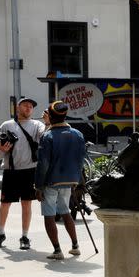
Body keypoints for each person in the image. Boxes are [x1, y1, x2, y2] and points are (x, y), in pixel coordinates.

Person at [34, 101, 86, 260]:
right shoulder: (78, 134)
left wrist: (38, 186)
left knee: (49, 214)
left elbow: (43, 164)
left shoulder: (48, 136)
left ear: (51, 116)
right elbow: (81, 159)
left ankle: (57, 250)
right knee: (65, 211)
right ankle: (75, 245)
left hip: (51, 181)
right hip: (70, 180)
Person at [0, 97, 45, 249]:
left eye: (31, 106)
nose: (28, 108)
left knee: (26, 204)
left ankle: (25, 236)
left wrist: (48, 124)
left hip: (30, 171)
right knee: (5, 203)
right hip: (11, 171)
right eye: (25, 105)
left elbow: (45, 137)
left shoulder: (37, 125)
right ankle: (0, 233)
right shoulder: (6, 125)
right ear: (18, 108)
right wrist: (2, 150)